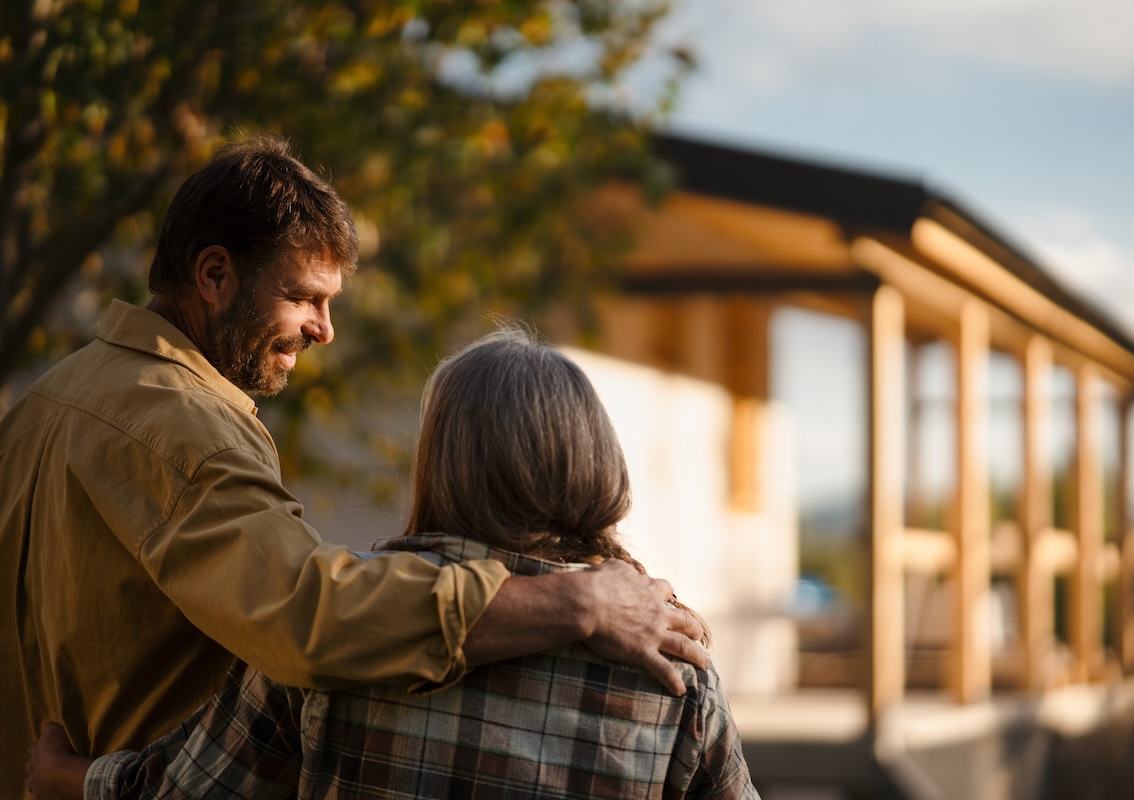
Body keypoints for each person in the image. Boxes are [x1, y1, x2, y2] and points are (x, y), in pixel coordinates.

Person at [0, 136, 708, 794]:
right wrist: (580, 603)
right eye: (304, 296)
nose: (324, 329)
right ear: (213, 274)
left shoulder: (47, 401)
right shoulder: (185, 430)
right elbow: (313, 619)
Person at [26, 326, 759, 799]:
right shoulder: (670, 666)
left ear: (440, 461)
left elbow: (187, 792)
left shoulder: (350, 636)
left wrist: (72, 780)